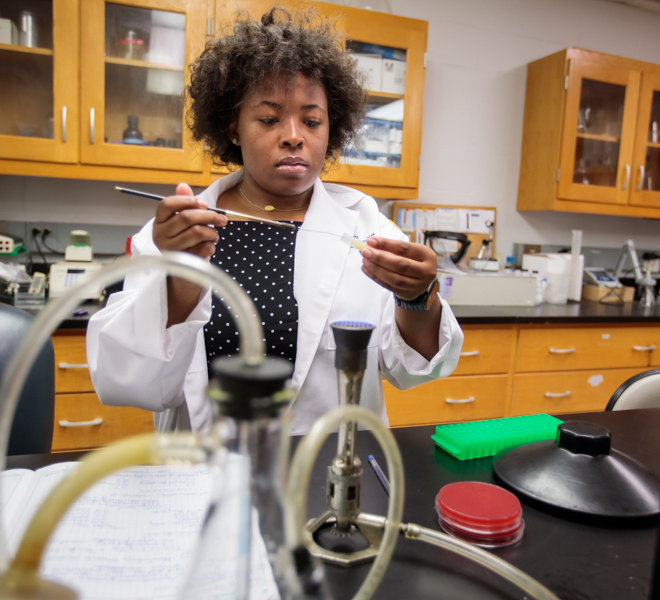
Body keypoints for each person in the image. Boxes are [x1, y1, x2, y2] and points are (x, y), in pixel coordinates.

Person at [86, 7, 463, 435]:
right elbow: (126, 380)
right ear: (233, 127)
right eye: (268, 119)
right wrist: (180, 280)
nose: (293, 135)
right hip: (204, 474)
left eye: (312, 120)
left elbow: (411, 370)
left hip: (324, 472)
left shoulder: (367, 227)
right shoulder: (181, 231)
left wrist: (417, 298)